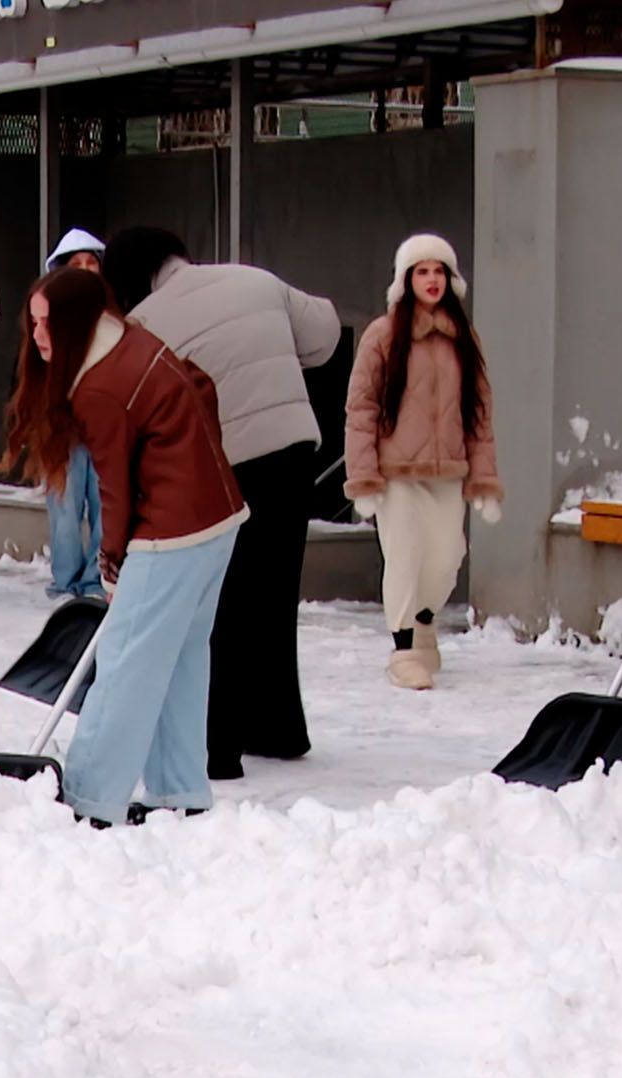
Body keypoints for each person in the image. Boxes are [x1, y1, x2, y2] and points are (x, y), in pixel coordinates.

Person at [0, 268, 247, 827]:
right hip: (218, 518)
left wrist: (111, 565)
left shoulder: (102, 384)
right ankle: (180, 789)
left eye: (48, 324)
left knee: (127, 661)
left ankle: (89, 799)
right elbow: (201, 385)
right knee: (179, 658)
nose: (38, 336)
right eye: (33, 322)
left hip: (172, 534)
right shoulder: (132, 339)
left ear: (77, 322)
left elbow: (112, 487)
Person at [103, 226, 341, 780]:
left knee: (224, 604)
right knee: (276, 594)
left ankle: (218, 748)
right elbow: (325, 335)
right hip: (293, 449)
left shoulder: (145, 324)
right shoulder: (255, 280)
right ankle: (280, 729)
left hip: (225, 467)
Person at [343, 234, 502, 689]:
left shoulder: (464, 339)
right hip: (396, 475)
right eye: (421, 271)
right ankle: (405, 650)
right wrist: (364, 475)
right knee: (405, 559)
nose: (431, 280)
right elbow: (361, 409)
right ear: (405, 279)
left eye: (439, 271)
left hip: (449, 472)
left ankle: (425, 622)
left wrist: (485, 476)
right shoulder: (382, 334)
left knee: (447, 559)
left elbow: (479, 414)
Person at [42, 227, 107, 601]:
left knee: (105, 507)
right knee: (64, 509)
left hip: (104, 425)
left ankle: (96, 580)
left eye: (91, 263)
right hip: (61, 424)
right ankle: (64, 583)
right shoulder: (46, 313)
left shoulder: (114, 313)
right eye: (76, 263)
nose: (84, 269)